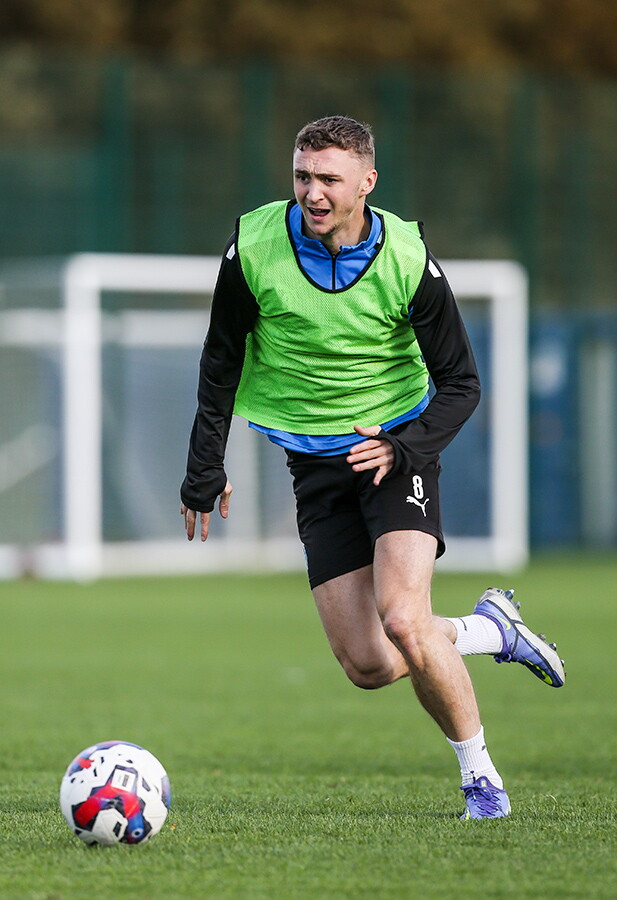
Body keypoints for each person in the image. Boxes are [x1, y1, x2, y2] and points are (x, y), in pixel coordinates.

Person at [180, 115, 565, 819]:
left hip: (396, 455)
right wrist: (204, 465)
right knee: (368, 665)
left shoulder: (406, 259)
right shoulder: (253, 246)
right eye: (302, 175)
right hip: (313, 468)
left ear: (366, 182)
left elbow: (461, 383)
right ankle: (489, 630)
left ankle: (480, 781)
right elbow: (220, 356)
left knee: (403, 619)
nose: (312, 192)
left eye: (328, 178)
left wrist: (405, 445)